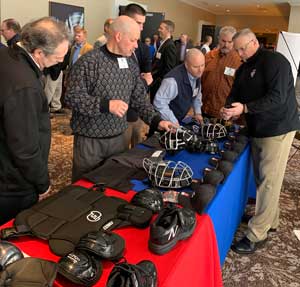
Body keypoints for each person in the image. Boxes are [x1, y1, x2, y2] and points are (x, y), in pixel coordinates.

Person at [65, 16, 173, 182]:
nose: (136, 45)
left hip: (119, 140)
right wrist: (105, 105)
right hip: (90, 142)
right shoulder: (89, 62)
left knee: (114, 185)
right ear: (118, 36)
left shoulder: (130, 63)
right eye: (133, 40)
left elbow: (139, 99)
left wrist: (158, 121)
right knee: (84, 187)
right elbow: (72, 97)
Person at [220, 28, 300, 254]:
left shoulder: (276, 62)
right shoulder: (244, 67)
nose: (240, 53)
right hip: (257, 128)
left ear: (255, 42)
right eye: (238, 50)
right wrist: (228, 108)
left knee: (268, 182)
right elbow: (235, 92)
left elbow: (278, 97)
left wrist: (244, 108)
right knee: (264, 178)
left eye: (243, 48)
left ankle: (257, 233)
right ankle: (270, 220)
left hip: (277, 129)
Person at [0, 17, 70, 225]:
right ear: (39, 53)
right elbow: (25, 147)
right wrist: (43, 184)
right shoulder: (25, 85)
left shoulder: (7, 55)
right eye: (58, 57)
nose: (60, 62)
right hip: (13, 183)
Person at [123, 3, 153, 148]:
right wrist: (143, 81)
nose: (141, 28)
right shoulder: (112, 52)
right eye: (138, 23)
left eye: (143, 24)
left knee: (137, 143)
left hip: (138, 106)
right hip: (120, 115)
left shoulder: (140, 48)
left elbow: (147, 74)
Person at [154, 48, 205, 125]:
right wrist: (173, 121)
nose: (200, 70)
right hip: (165, 122)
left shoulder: (197, 74)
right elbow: (159, 103)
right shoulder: (172, 81)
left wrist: (197, 112)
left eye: (202, 65)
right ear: (186, 65)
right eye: (196, 67)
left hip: (179, 119)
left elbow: (197, 94)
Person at [201, 26, 241, 118]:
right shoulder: (209, 56)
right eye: (223, 41)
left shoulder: (239, 61)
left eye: (230, 42)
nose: (226, 45)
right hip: (204, 108)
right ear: (218, 39)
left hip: (224, 113)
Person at [150, 20, 177, 102]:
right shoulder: (163, 43)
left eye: (161, 28)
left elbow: (169, 68)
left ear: (168, 30)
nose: (158, 30)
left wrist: (160, 82)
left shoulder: (170, 46)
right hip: (155, 81)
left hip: (159, 84)